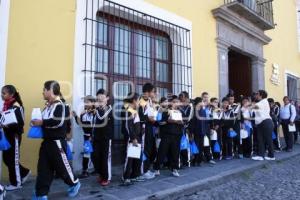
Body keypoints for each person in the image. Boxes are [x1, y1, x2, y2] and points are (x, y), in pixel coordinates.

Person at [32, 80, 80, 199]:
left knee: (62, 167)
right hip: (46, 143)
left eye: (44, 89)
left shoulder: (61, 105)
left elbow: (58, 122)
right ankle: (41, 194)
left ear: (51, 90)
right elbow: (42, 121)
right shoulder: (47, 107)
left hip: (57, 143)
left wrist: (42, 123)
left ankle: (75, 183)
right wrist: (35, 122)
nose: (42, 92)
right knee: (43, 169)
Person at [1, 85, 31, 191]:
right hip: (7, 136)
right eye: (2, 93)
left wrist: (6, 125)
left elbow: (20, 124)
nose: (2, 95)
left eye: (4, 93)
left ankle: (16, 183)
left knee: (12, 160)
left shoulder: (16, 106)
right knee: (7, 159)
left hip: (14, 136)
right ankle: (24, 172)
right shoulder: (7, 105)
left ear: (11, 94)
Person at [154, 95, 183, 177]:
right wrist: (168, 121)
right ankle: (157, 168)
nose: (175, 104)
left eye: (177, 102)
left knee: (175, 153)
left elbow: (182, 124)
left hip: (177, 135)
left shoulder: (179, 112)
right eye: (174, 102)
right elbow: (159, 122)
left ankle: (175, 169)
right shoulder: (165, 111)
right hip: (166, 134)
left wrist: (180, 123)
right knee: (162, 151)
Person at [93, 89, 113, 186]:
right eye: (98, 98)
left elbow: (101, 118)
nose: (99, 99)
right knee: (96, 157)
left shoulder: (109, 108)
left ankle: (106, 177)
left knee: (105, 158)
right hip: (96, 137)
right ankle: (101, 174)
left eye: (102, 97)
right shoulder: (98, 109)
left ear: (107, 98)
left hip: (105, 138)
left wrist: (96, 109)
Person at [73, 95, 96, 178]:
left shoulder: (95, 112)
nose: (85, 103)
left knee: (92, 153)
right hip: (86, 136)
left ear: (93, 102)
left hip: (92, 136)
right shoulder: (84, 113)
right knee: (87, 153)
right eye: (84, 102)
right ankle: (85, 171)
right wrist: (76, 116)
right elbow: (81, 124)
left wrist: (91, 136)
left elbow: (95, 125)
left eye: (87, 102)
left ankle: (93, 170)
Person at [123, 93, 143, 185]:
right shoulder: (129, 111)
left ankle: (134, 176)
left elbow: (137, 123)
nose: (139, 102)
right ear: (134, 100)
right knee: (130, 158)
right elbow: (128, 126)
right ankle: (126, 177)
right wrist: (133, 138)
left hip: (137, 137)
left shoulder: (135, 111)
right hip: (132, 139)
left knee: (136, 158)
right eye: (138, 100)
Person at [138, 83, 156, 179]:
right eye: (153, 91)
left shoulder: (149, 101)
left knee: (150, 149)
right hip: (144, 128)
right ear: (148, 92)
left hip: (150, 127)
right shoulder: (141, 101)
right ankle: (143, 171)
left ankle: (146, 168)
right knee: (144, 149)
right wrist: (149, 119)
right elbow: (139, 116)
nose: (154, 93)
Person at [251, 90, 275, 161]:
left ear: (261, 95)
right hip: (261, 123)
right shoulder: (262, 102)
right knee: (260, 139)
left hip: (266, 122)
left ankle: (271, 156)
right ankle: (261, 155)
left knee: (268, 139)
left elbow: (253, 108)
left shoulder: (263, 102)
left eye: (257, 94)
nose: (256, 95)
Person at [191, 97, 215, 165]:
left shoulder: (204, 110)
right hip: (196, 131)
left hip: (203, 131)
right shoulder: (194, 110)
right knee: (197, 146)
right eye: (200, 102)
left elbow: (207, 120)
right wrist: (191, 132)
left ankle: (199, 160)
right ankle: (195, 160)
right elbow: (192, 122)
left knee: (201, 146)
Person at [178, 91, 193, 168]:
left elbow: (189, 118)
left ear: (186, 98)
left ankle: (186, 161)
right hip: (178, 128)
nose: (181, 97)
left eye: (182, 96)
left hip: (186, 128)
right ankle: (179, 161)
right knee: (179, 145)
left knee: (185, 145)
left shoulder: (190, 107)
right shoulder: (178, 106)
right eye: (180, 96)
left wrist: (185, 125)